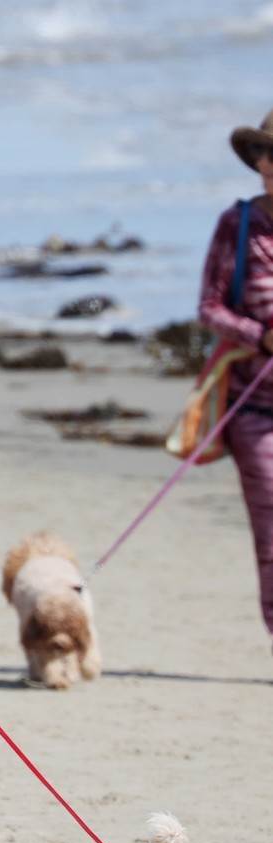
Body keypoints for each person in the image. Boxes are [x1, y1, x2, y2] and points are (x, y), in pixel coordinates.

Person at [200, 109, 273, 643]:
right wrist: (260, 336)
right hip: (256, 409)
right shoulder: (240, 223)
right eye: (266, 155)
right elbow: (210, 308)